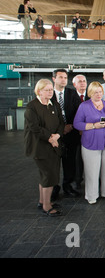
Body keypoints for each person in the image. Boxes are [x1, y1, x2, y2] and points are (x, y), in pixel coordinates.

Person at [73, 82, 105, 204]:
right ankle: (92, 195)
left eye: (100, 92)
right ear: (90, 93)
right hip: (91, 143)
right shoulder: (84, 106)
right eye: (95, 92)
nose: (98, 94)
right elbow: (77, 124)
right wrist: (94, 125)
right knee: (92, 171)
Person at [25, 79, 65, 216]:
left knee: (46, 174)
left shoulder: (54, 104)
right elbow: (35, 128)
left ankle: (42, 201)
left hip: (54, 144)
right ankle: (47, 207)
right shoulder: (32, 106)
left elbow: (61, 122)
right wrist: (50, 138)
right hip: (40, 146)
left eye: (51, 89)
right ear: (39, 91)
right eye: (47, 90)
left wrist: (57, 136)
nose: (50, 92)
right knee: (49, 174)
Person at [51, 69, 82, 199]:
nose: (63, 80)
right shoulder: (49, 94)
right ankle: (53, 188)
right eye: (60, 77)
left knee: (70, 162)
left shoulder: (72, 93)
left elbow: (79, 111)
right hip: (53, 135)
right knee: (53, 163)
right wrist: (60, 128)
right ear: (54, 79)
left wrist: (71, 126)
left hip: (70, 133)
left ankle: (68, 186)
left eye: (65, 77)